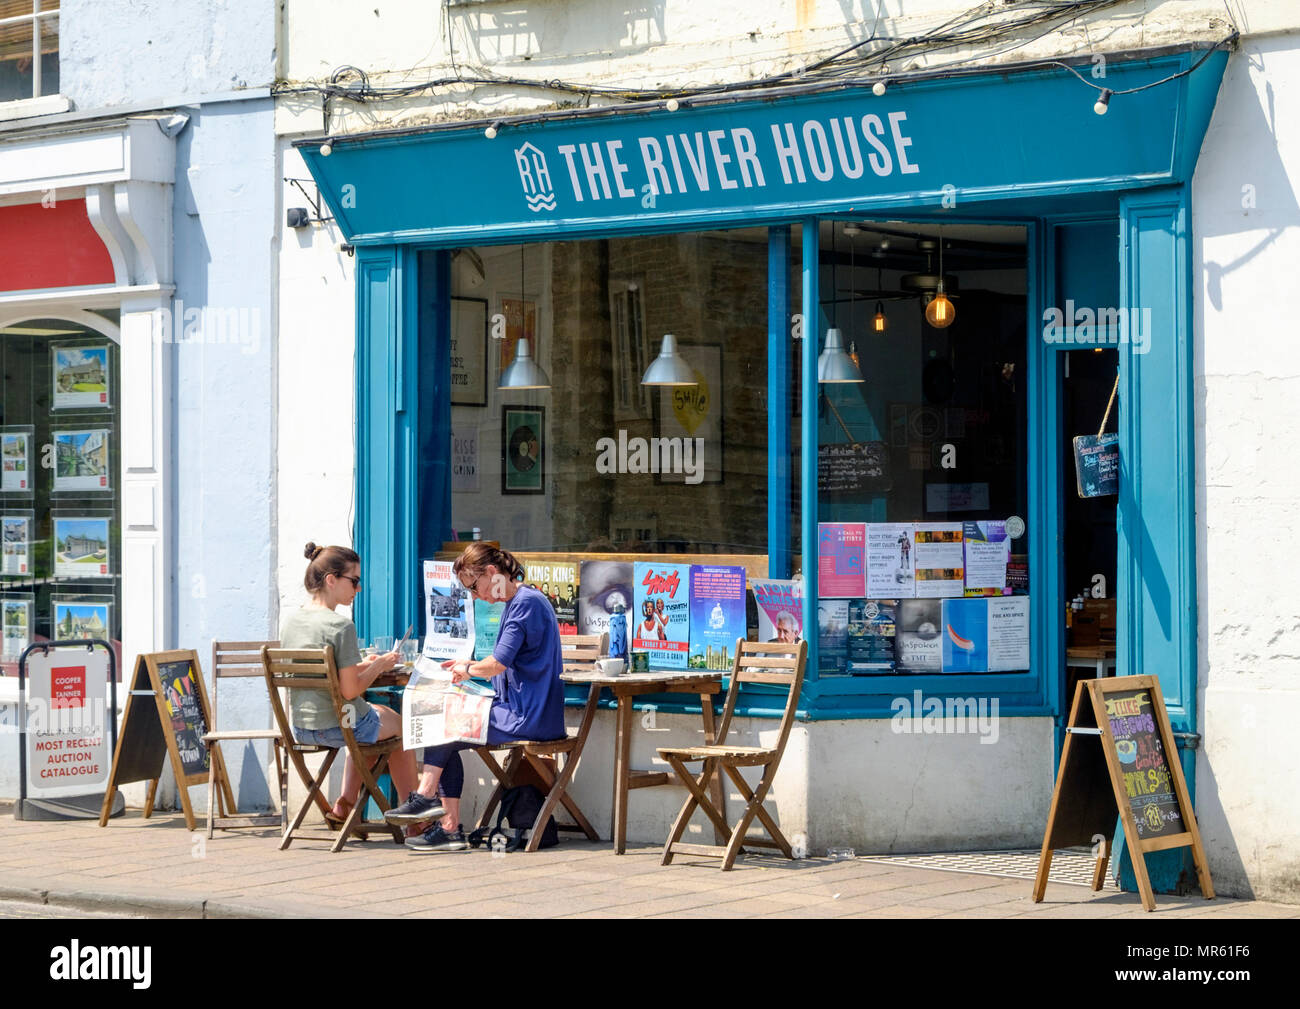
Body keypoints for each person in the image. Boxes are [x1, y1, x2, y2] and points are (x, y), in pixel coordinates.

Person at [384, 542, 566, 853]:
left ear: (492, 573)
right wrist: (467, 675)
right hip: (518, 709)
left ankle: (427, 798)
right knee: (443, 720)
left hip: (529, 717)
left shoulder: (525, 603)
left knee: (446, 721)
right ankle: (448, 827)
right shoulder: (518, 602)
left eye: (473, 586)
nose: (474, 596)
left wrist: (467, 669)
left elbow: (497, 663)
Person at [282, 542, 420, 835]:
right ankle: (415, 820)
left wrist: (362, 664)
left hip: (303, 727)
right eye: (354, 581)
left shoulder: (292, 622)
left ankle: (344, 808)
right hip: (339, 723)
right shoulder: (340, 627)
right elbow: (349, 691)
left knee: (372, 720)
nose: (358, 589)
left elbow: (324, 675)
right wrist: (379, 665)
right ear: (331, 580)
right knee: (402, 728)